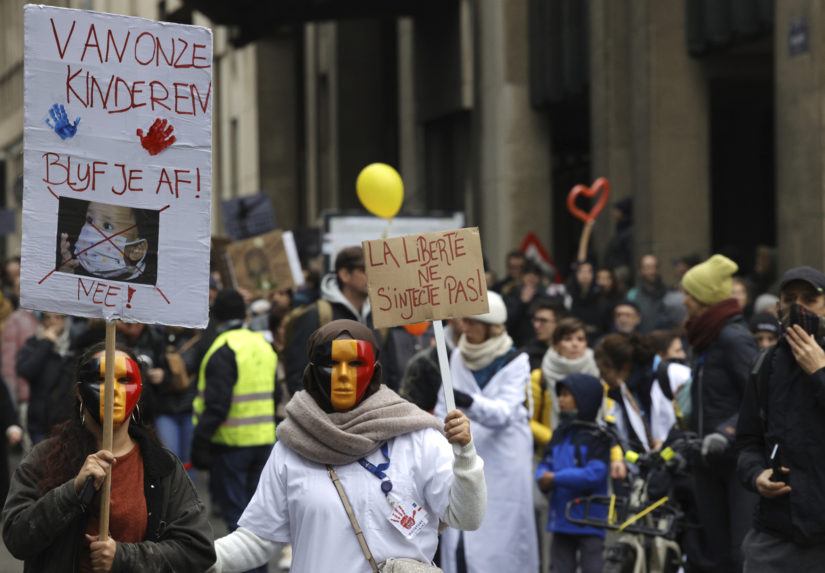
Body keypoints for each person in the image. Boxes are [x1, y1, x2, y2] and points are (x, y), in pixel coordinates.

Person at [211, 320, 486, 572]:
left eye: (355, 364)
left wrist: (465, 456)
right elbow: (258, 539)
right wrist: (188, 558)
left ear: (375, 371)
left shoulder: (418, 438)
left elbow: (467, 517)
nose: (343, 375)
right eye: (331, 363)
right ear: (312, 371)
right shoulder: (292, 446)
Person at [2, 344, 215, 571]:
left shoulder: (162, 467)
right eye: (101, 379)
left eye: (125, 380)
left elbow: (198, 550)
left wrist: (124, 557)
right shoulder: (45, 458)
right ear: (79, 391)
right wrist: (71, 492)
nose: (112, 389)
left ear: (140, 390)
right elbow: (17, 538)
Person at [436, 292, 538, 573]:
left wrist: (469, 401)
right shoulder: (457, 355)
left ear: (491, 325)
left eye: (472, 322)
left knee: (502, 535)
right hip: (467, 452)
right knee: (464, 527)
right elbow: (441, 404)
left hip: (504, 459)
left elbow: (504, 413)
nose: (464, 327)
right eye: (464, 321)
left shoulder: (516, 360)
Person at [737, 267, 825, 571]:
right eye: (790, 299)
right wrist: (755, 474)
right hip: (776, 535)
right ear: (778, 308)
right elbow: (747, 441)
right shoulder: (765, 364)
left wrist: (819, 373)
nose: (799, 308)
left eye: (810, 299)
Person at [682, 254, 758, 572]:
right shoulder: (705, 338)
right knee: (716, 555)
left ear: (704, 297)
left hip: (736, 463)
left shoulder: (732, 337)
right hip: (706, 460)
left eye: (689, 293)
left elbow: (758, 398)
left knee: (740, 553)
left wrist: (725, 432)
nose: (683, 300)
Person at [191, 288, 277, 559]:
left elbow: (217, 405)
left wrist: (200, 444)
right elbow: (274, 393)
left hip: (232, 446)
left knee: (238, 523)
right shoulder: (263, 344)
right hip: (264, 442)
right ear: (244, 314)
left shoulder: (222, 348)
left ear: (216, 316)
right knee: (258, 521)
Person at [536, 374, 610, 573]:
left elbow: (594, 474)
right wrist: (541, 477)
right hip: (561, 518)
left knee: (592, 568)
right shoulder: (560, 433)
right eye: (560, 394)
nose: (560, 399)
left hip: (589, 520)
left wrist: (556, 478)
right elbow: (545, 463)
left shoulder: (598, 437)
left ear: (584, 399)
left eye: (567, 395)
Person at [283, 246, 373, 395]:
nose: (372, 276)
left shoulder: (374, 317)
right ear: (345, 274)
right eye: (364, 270)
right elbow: (298, 375)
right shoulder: (317, 315)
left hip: (370, 416)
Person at [16, 312, 76, 444]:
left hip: (65, 421)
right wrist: (46, 343)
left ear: (65, 320)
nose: (52, 322)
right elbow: (26, 371)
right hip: (40, 421)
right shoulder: (33, 343)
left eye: (58, 317)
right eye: (48, 317)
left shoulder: (74, 345)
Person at [541, 317, 600, 430]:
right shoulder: (540, 376)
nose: (575, 344)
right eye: (568, 339)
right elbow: (531, 420)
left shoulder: (597, 370)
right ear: (555, 344)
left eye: (580, 339)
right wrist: (552, 439)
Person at [627, 254, 667, 334]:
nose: (652, 272)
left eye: (655, 267)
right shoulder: (632, 295)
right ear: (641, 271)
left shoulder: (669, 294)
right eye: (648, 268)